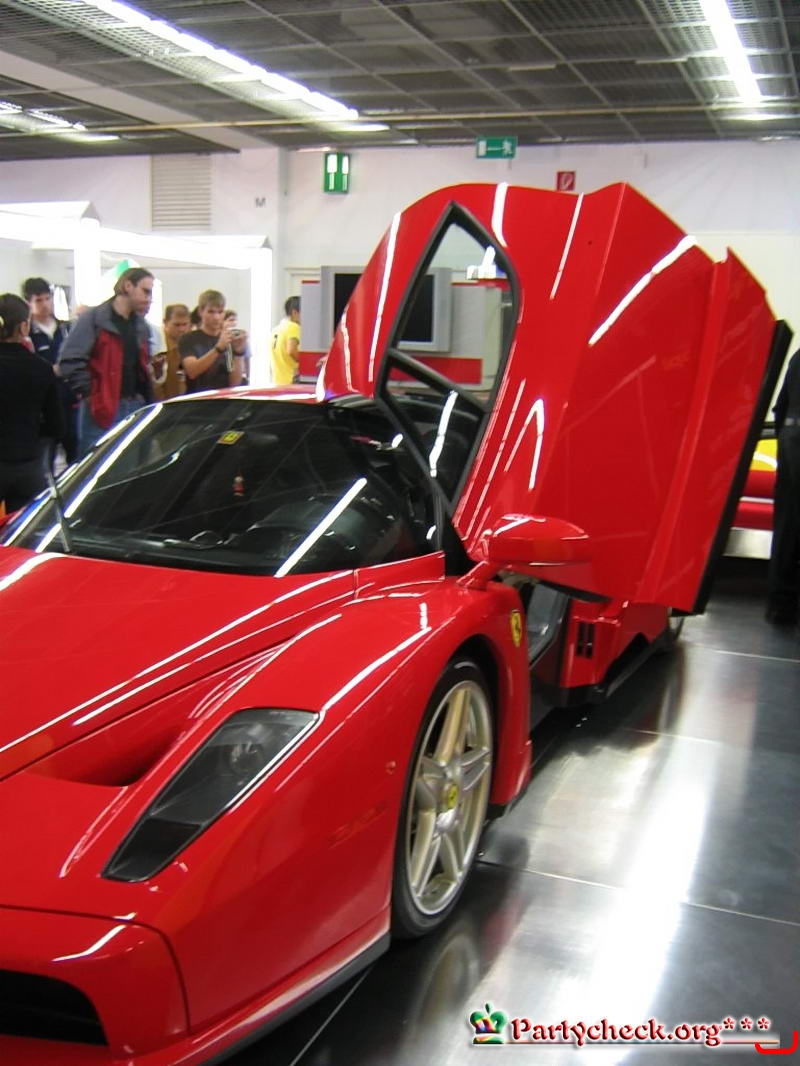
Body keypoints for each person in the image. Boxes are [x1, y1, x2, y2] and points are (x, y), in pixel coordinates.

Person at [58, 267, 155, 457]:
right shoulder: (93, 319)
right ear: (128, 286)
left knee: (129, 463)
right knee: (96, 462)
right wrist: (91, 393)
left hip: (134, 405)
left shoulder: (141, 325)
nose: (149, 298)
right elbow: (70, 361)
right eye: (145, 291)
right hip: (101, 406)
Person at [0, 294, 65, 513]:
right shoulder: (41, 368)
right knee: (22, 528)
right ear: (24, 327)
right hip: (27, 466)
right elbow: (56, 425)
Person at [22, 276, 78, 466]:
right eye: (39, 300)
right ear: (28, 303)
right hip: (44, 405)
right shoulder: (27, 335)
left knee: (77, 454)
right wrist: (50, 371)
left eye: (48, 298)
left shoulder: (66, 329)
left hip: (70, 400)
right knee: (46, 457)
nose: (45, 304)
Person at [766, 348, 800, 625]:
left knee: (788, 524)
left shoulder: (798, 356)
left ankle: (780, 604)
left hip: (791, 439)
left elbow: (780, 407)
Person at [179, 289, 247, 394]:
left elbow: (234, 383)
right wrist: (218, 348)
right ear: (201, 312)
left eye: (220, 312)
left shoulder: (228, 339)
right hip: (198, 399)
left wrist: (239, 352)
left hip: (223, 399)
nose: (216, 317)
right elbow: (192, 371)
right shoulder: (188, 339)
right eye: (211, 312)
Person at [152, 303, 191, 401]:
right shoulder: (158, 346)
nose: (182, 329)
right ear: (165, 322)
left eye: (185, 324)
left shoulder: (190, 343)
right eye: (177, 325)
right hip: (164, 403)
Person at [271, 295, 301, 385]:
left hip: (278, 381)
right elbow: (291, 350)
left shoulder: (276, 329)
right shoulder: (293, 327)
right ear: (295, 313)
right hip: (291, 380)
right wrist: (308, 363)